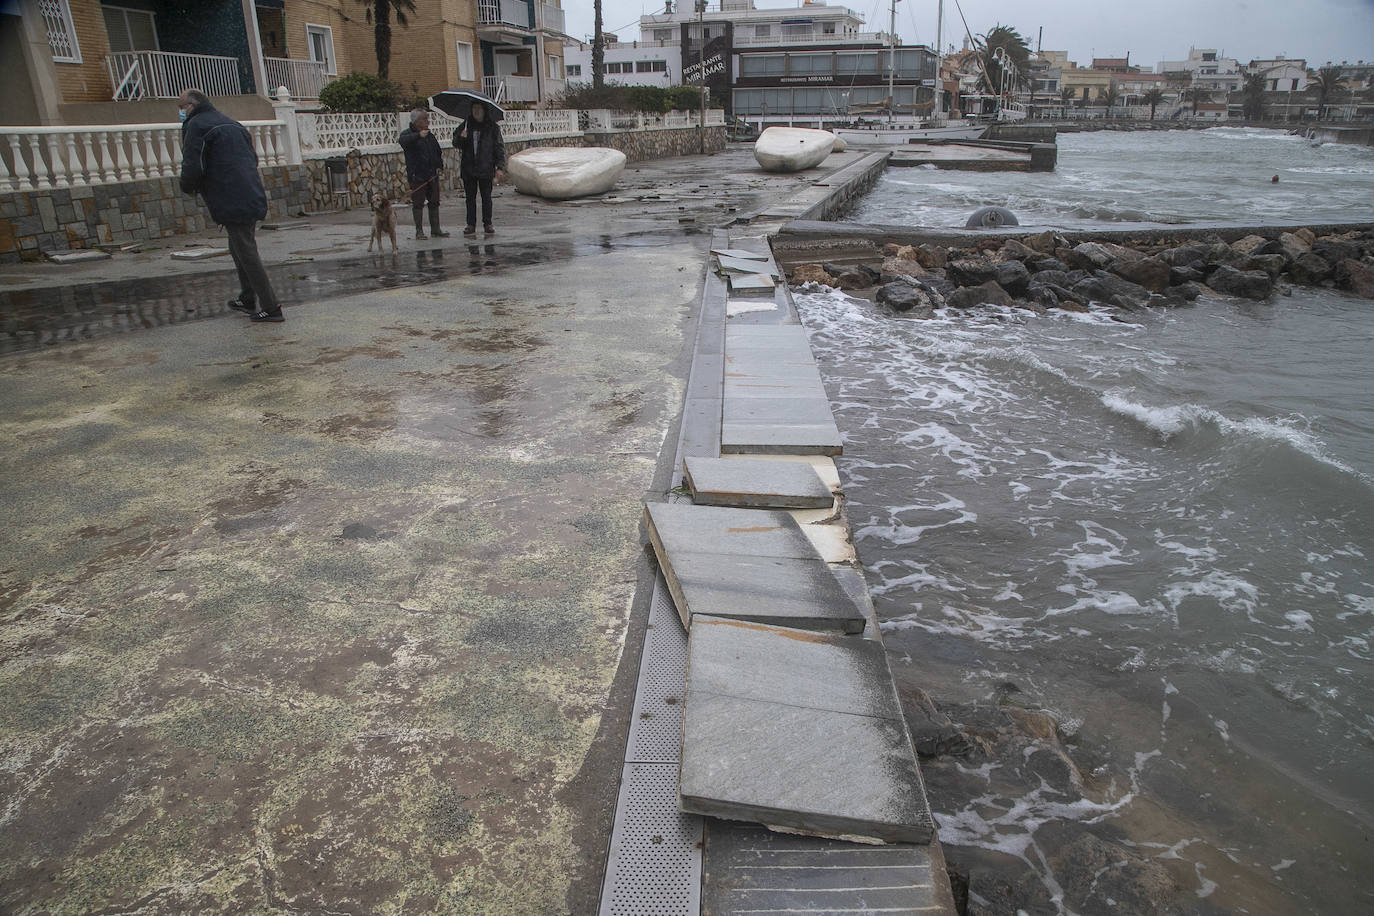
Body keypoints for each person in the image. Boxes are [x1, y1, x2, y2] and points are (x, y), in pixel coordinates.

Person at [177, 88, 282, 322]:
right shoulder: (232, 124)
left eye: (182, 107)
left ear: (193, 106)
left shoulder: (197, 126)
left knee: (246, 250)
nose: (180, 112)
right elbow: (252, 159)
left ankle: (271, 307)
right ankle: (247, 298)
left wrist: (187, 185)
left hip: (228, 194)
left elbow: (194, 164)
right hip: (249, 191)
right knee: (238, 246)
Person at [453, 102, 506, 237]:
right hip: (469, 168)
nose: (476, 111)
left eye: (478, 109)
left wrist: (499, 167)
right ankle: (470, 224)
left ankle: (487, 223)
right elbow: (456, 143)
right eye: (474, 109)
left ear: (484, 110)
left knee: (486, 197)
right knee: (470, 198)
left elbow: (499, 147)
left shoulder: (492, 127)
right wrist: (461, 137)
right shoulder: (466, 125)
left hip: (486, 167)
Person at [398, 109, 449, 240]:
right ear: (416, 122)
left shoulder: (430, 136)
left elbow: (437, 152)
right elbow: (402, 141)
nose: (427, 121)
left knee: (434, 202)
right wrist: (418, 136)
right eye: (424, 119)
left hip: (431, 174)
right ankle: (419, 231)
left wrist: (439, 166)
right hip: (417, 175)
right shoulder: (408, 134)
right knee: (418, 203)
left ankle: (435, 229)